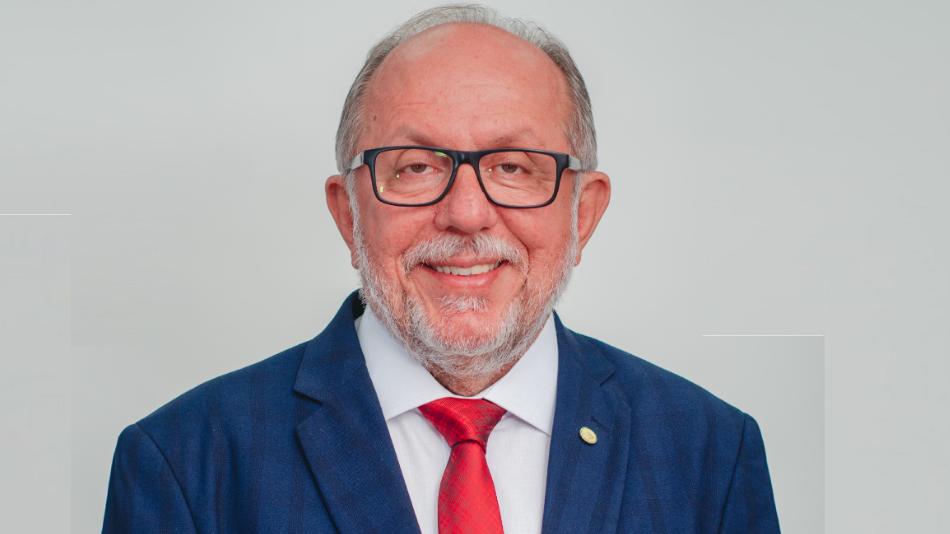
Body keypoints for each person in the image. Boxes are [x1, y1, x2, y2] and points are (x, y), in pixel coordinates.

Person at [103, 5, 780, 533]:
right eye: (417, 167)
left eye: (513, 167)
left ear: (585, 213)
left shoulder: (709, 453)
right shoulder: (185, 461)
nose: (466, 214)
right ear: (348, 214)